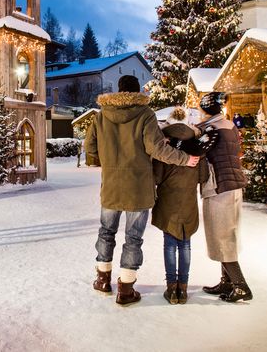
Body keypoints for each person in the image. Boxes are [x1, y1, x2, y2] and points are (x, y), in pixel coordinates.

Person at [85, 75, 200, 306]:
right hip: (138, 188)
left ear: (118, 90)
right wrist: (184, 159)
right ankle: (126, 289)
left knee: (106, 231)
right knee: (133, 237)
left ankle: (102, 280)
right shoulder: (145, 114)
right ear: (137, 91)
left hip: (111, 187)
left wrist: (106, 162)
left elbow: (89, 148)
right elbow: (156, 149)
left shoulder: (100, 116)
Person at [151, 107, 215, 305]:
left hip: (167, 200)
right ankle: (183, 289)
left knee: (169, 243)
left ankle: (171, 289)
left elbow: (156, 176)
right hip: (188, 200)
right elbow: (203, 176)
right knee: (185, 243)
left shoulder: (163, 143)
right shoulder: (196, 144)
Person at [197, 92, 253, 303]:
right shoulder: (230, 125)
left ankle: (240, 285)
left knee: (222, 236)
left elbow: (197, 150)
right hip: (234, 184)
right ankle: (227, 281)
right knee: (227, 233)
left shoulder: (208, 129)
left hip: (219, 186)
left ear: (205, 108)